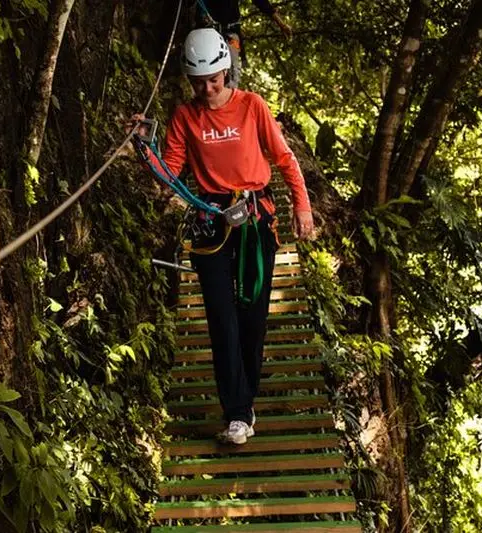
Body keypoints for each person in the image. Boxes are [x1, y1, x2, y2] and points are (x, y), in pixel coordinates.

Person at [131, 28, 314, 445]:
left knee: (252, 314)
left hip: (255, 218)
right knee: (220, 316)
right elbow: (170, 174)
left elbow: (284, 158)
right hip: (212, 222)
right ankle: (236, 412)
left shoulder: (252, 106)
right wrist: (147, 147)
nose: (208, 89)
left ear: (225, 72)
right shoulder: (185, 116)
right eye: (199, 83)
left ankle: (245, 401)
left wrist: (301, 205)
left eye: (213, 79)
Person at [195, 0, 292, 88]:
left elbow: (262, 3)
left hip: (230, 34)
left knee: (231, 76)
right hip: (205, 34)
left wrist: (281, 23)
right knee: (204, 74)